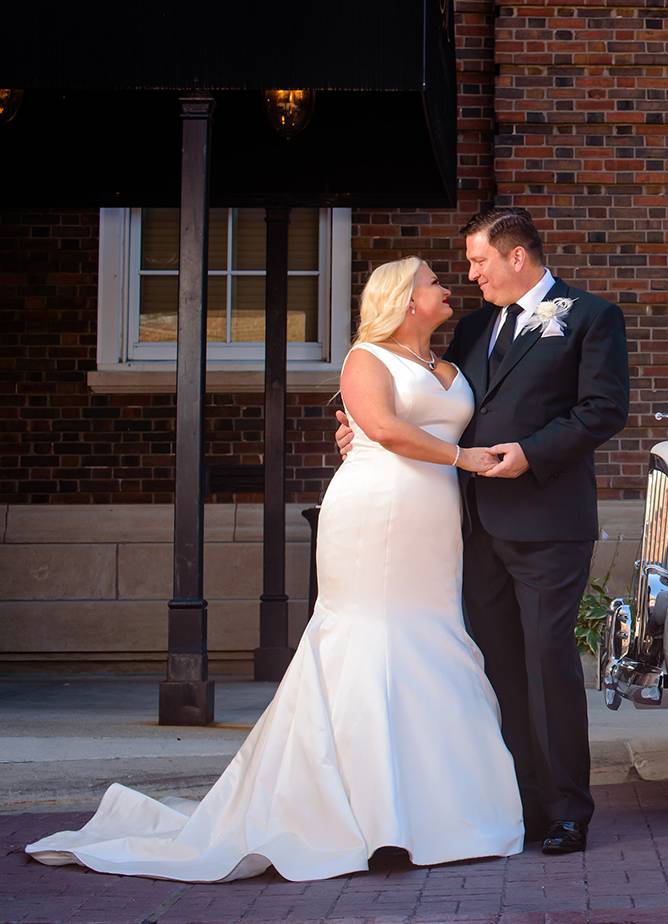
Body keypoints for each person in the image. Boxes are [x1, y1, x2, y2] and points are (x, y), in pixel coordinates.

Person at [26, 258, 523, 882]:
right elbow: (382, 429)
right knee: (367, 641)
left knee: (433, 640)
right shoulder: (366, 358)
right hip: (375, 512)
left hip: (435, 522)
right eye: (431, 281)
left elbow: (430, 423)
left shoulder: (451, 365)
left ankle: (442, 811)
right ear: (402, 297)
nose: (445, 286)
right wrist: (463, 456)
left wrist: (464, 459)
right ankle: (371, 816)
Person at [337, 209, 629, 855]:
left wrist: (531, 452)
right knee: (496, 666)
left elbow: (603, 409)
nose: (470, 276)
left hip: (549, 521)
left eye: (478, 262)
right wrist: (359, 428)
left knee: (547, 661)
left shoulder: (589, 316)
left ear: (516, 257)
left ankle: (565, 811)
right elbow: (431, 406)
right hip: (469, 524)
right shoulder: (470, 329)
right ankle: (516, 803)